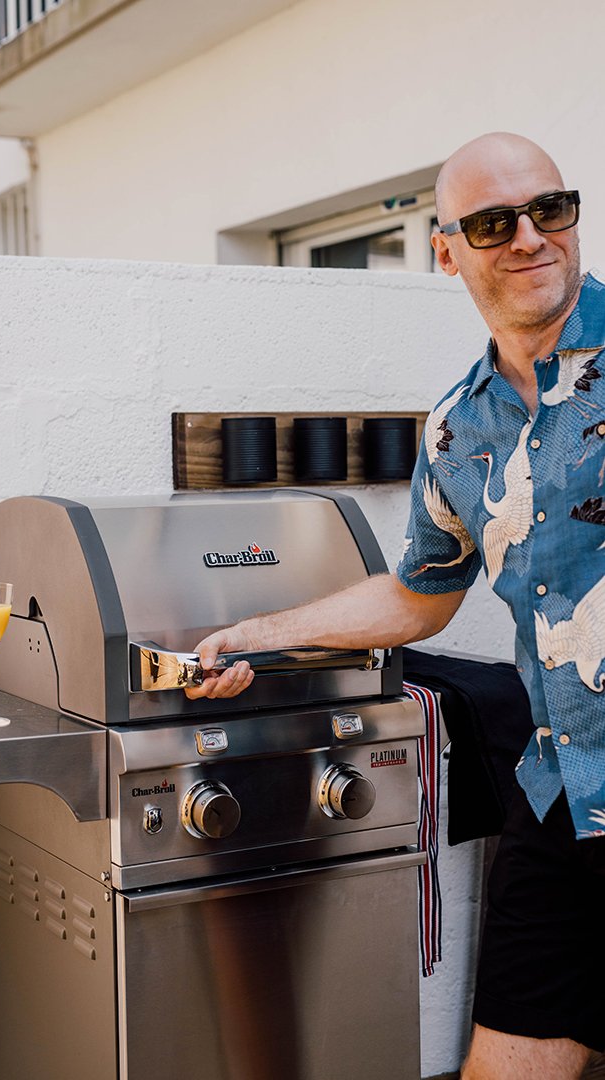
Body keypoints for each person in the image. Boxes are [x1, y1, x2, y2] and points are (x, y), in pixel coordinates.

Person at [185, 132, 605, 1080]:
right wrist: (258, 636)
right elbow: (421, 596)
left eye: (552, 208)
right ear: (447, 249)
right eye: (495, 222)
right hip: (559, 796)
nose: (532, 237)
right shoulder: (459, 428)